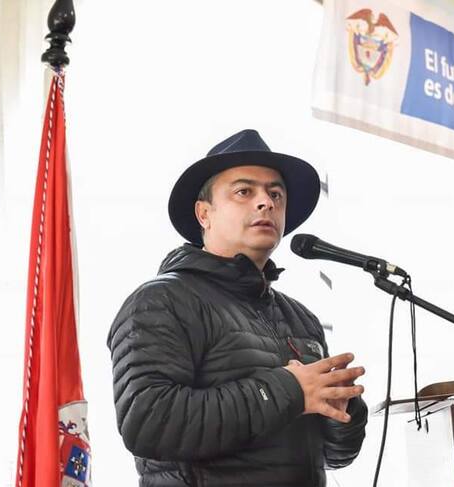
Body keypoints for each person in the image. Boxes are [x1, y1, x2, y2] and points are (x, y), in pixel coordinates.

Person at [107, 129, 368, 487]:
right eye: (244, 191)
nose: (266, 203)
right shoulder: (161, 301)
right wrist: (288, 391)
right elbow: (148, 421)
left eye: (275, 194)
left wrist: (343, 410)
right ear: (204, 214)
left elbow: (334, 457)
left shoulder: (302, 318)